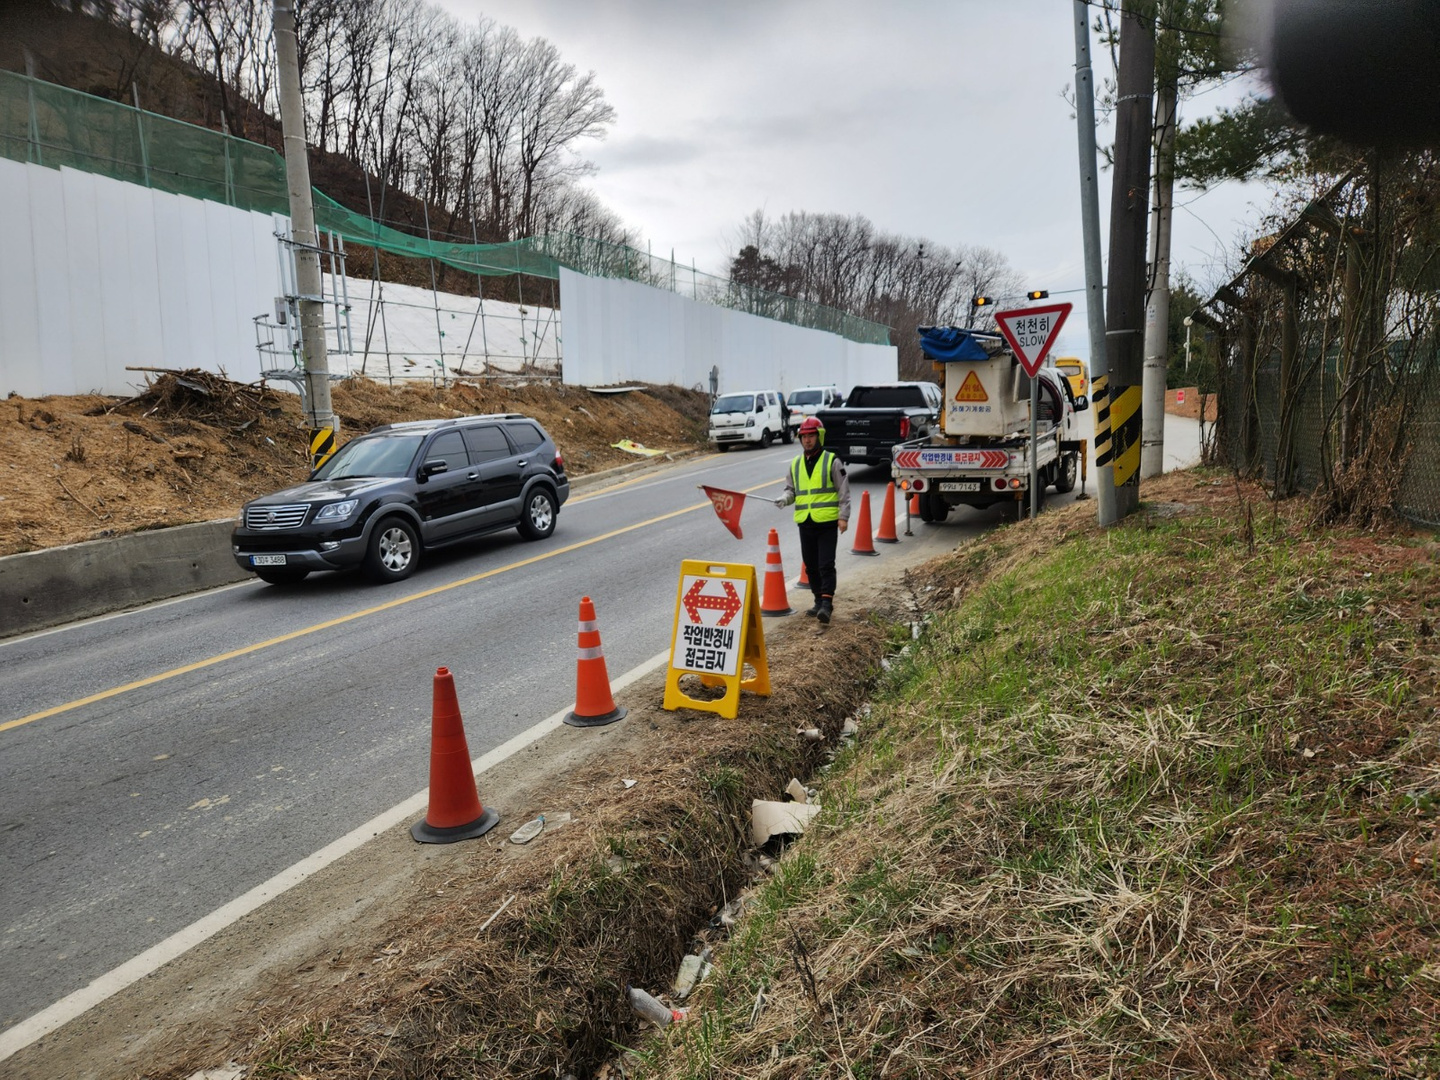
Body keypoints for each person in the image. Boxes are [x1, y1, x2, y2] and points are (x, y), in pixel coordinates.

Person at [777, 416, 850, 623]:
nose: (807, 440)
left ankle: (827, 604)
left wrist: (843, 517)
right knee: (810, 566)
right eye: (804, 436)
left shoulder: (832, 461)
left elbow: (843, 491)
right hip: (805, 522)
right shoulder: (796, 464)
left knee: (826, 564)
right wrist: (784, 498)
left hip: (826, 522)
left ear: (819, 437)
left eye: (811, 436)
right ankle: (818, 600)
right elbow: (791, 490)